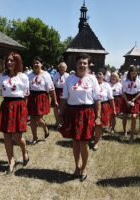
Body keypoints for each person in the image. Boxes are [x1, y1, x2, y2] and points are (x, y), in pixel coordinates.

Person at [58, 53, 101, 182]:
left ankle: (84, 168)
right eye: (80, 63)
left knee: (84, 142)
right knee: (75, 141)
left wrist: (98, 116)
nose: (82, 65)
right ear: (76, 65)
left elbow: (97, 99)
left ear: (88, 65)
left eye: (85, 63)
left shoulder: (92, 79)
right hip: (72, 112)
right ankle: (77, 167)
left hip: (87, 112)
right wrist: (60, 114)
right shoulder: (69, 79)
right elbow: (64, 98)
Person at [0, 52, 30, 173]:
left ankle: (24, 151)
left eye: (12, 60)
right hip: (6, 106)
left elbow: (26, 95)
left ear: (17, 62)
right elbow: (1, 91)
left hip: (19, 107)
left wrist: (25, 112)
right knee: (6, 136)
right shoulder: (2, 76)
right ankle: (11, 161)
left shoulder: (23, 77)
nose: (9, 63)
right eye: (8, 61)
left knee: (17, 136)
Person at [27, 56, 58, 144]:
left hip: (42, 97)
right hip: (32, 97)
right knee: (32, 119)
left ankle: (45, 128)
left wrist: (55, 100)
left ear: (41, 64)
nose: (35, 64)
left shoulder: (46, 75)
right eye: (34, 63)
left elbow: (52, 89)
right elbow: (26, 88)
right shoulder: (29, 75)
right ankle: (35, 137)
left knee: (39, 119)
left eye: (37, 63)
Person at [93, 68, 116, 150]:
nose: (98, 75)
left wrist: (113, 109)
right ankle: (94, 136)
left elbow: (111, 98)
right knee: (92, 124)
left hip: (103, 105)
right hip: (92, 106)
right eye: (97, 74)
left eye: (100, 74)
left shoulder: (107, 85)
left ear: (104, 76)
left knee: (99, 125)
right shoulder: (92, 84)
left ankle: (96, 142)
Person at [121, 65, 140, 140]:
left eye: (135, 73)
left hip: (135, 98)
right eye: (132, 73)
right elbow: (123, 91)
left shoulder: (138, 81)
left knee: (134, 116)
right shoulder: (125, 80)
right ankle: (125, 131)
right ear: (129, 73)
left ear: (136, 73)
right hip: (126, 97)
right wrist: (126, 100)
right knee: (125, 115)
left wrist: (134, 99)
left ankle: (132, 134)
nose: (133, 74)